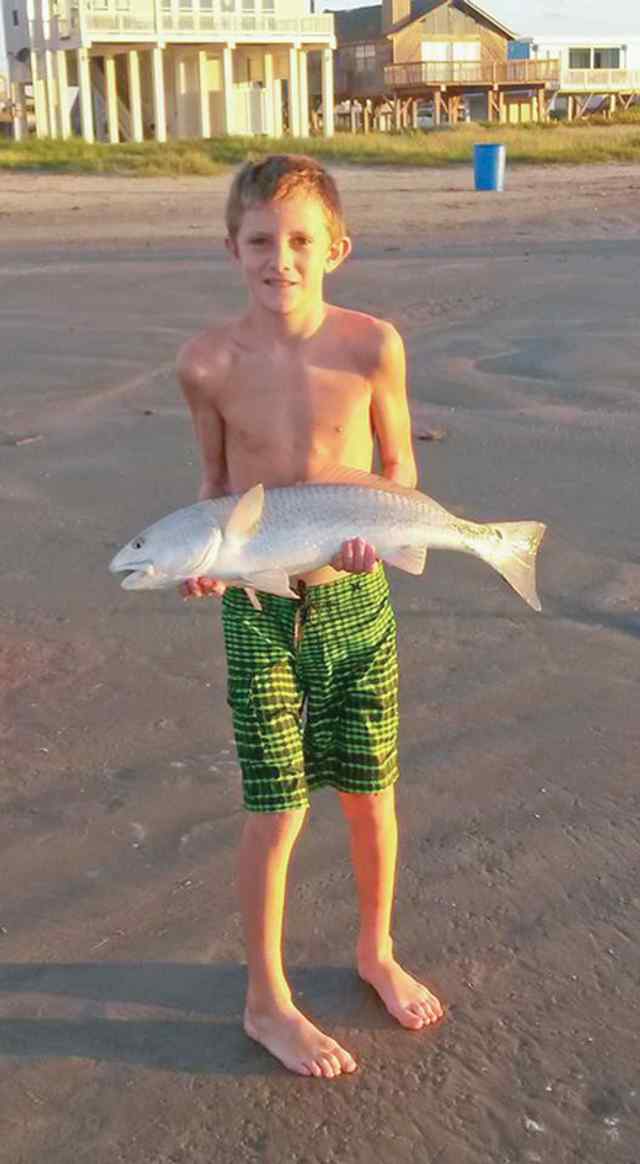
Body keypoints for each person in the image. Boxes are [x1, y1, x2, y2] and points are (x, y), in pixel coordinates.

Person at [177, 154, 443, 1079]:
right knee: (277, 810)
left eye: (299, 241)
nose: (279, 259)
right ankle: (266, 999)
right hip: (258, 610)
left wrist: (377, 524)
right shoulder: (206, 361)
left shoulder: (374, 344)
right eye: (260, 241)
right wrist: (204, 566)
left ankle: (375, 948)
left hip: (357, 601)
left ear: (337, 246)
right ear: (232, 248)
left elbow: (402, 470)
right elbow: (216, 489)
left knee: (373, 793)